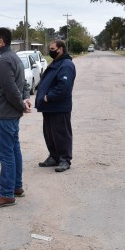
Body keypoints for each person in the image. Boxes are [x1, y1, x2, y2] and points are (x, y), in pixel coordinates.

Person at [0, 27, 32, 209]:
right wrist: (25, 99)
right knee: (13, 151)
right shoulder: (13, 57)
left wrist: (21, 104)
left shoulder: (3, 60)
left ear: (1, 42)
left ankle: (6, 194)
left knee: (5, 155)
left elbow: (11, 88)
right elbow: (24, 83)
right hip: (8, 113)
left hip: (3, 114)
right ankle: (16, 187)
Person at [35, 39, 76, 172]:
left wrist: (49, 96)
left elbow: (64, 86)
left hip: (59, 106)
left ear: (61, 49)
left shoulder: (66, 64)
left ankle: (65, 159)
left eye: (52, 49)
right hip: (48, 107)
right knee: (49, 134)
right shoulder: (56, 62)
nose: (50, 51)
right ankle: (54, 157)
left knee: (61, 134)